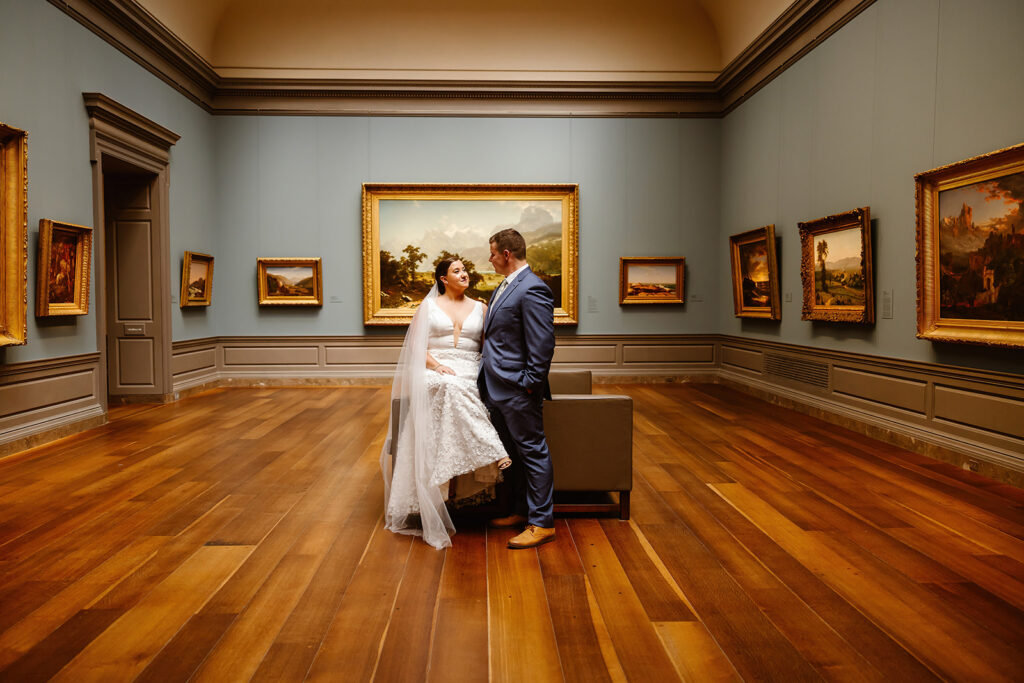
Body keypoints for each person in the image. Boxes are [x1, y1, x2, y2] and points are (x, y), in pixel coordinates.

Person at [381, 259, 511, 550]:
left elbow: (489, 346)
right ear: (443, 278)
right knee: (449, 384)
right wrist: (437, 365)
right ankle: (493, 449)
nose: (464, 274)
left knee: (459, 386)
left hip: (470, 369)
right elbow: (416, 346)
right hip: (434, 370)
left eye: (465, 269)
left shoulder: (481, 307)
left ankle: (463, 477)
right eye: (457, 271)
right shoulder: (427, 307)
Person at [478, 228, 557, 549]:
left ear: (507, 254)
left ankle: (542, 523)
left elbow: (542, 344)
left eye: (493, 253)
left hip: (517, 390)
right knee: (513, 454)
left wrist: (527, 385)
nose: (490, 258)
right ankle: (519, 511)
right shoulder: (506, 286)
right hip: (498, 388)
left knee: (533, 452)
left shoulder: (533, 288)